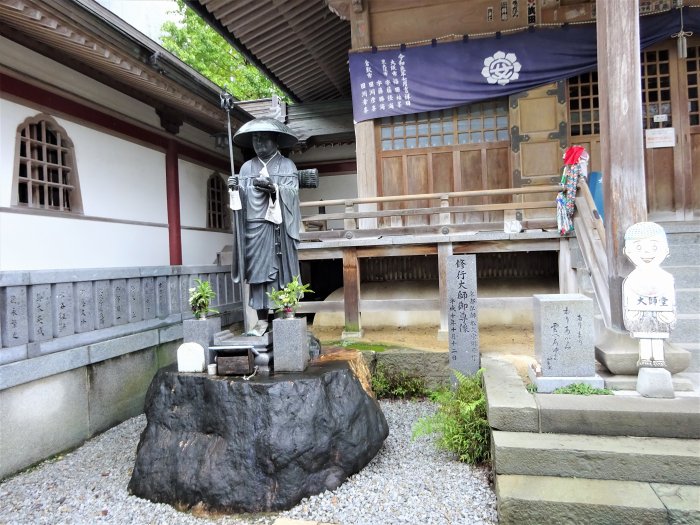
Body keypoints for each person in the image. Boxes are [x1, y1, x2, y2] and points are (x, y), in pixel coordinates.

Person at [228, 118, 302, 335]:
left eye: (263, 139)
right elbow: (240, 201)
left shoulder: (287, 165)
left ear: (276, 140)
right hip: (254, 228)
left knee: (281, 274)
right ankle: (261, 321)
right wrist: (235, 188)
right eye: (255, 140)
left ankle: (284, 313)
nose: (259, 144)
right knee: (258, 275)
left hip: (278, 227)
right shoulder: (246, 167)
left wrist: (274, 189)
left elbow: (293, 193)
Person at [622, 221, 676, 368]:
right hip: (640, 316)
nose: (647, 252)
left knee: (657, 337)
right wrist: (632, 314)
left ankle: (658, 358)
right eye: (638, 247)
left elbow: (670, 300)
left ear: (665, 250)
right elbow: (629, 299)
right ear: (627, 251)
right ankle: (645, 357)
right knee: (644, 337)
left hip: (660, 316)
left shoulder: (666, 278)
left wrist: (668, 314)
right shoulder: (631, 280)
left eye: (654, 247)